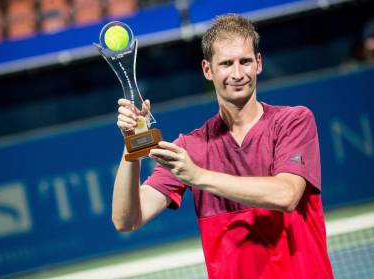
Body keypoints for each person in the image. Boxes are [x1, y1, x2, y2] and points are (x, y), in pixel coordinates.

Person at [113, 14, 334, 279]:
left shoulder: (293, 121)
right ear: (208, 70)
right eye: (227, 63)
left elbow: (286, 195)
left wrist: (198, 176)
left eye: (245, 61)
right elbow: (127, 220)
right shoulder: (192, 147)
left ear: (259, 64)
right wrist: (131, 147)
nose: (238, 74)